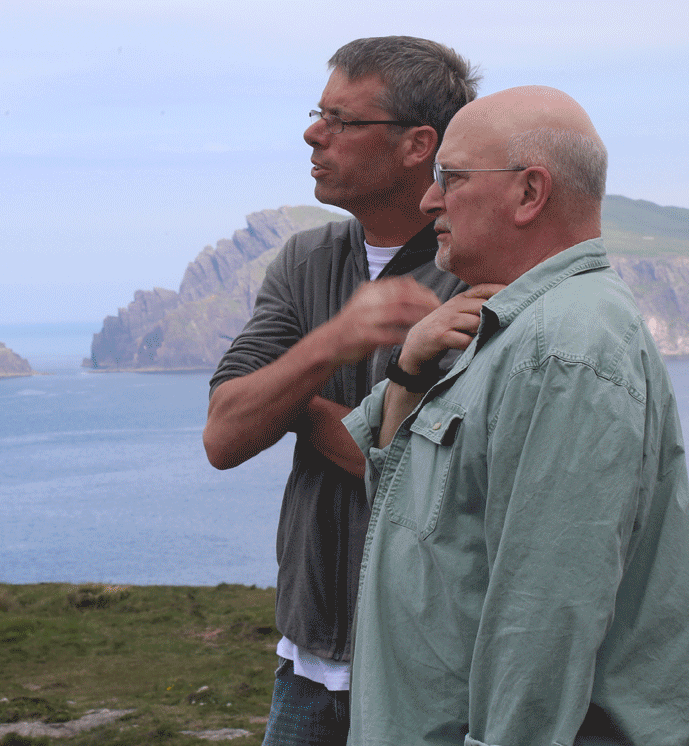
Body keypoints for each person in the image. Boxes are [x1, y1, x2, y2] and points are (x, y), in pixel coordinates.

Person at [343, 86, 689, 746]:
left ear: (529, 193)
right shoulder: (506, 329)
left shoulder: (562, 349)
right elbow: (407, 516)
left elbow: (541, 619)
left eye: (448, 177)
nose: (430, 200)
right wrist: (405, 377)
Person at [203, 37, 483, 745]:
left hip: (432, 672)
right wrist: (336, 339)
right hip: (306, 659)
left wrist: (293, 405)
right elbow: (225, 434)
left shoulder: (479, 273)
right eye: (316, 112)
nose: (312, 133)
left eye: (342, 120)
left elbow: (434, 478)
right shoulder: (307, 259)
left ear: (419, 144)